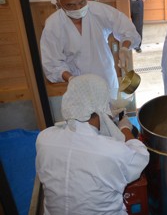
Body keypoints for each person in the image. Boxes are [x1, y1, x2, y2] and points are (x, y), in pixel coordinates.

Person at [36, 74, 150, 214]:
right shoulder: (112, 152)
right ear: (101, 106)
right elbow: (141, 157)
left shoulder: (44, 139)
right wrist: (124, 128)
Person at [40, 0, 140, 90]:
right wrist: (71, 79)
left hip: (106, 77)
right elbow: (52, 64)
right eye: (70, 5)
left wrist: (124, 48)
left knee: (113, 106)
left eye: (82, 2)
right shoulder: (53, 25)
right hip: (79, 85)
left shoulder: (98, 11)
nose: (78, 8)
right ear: (58, 0)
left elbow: (125, 27)